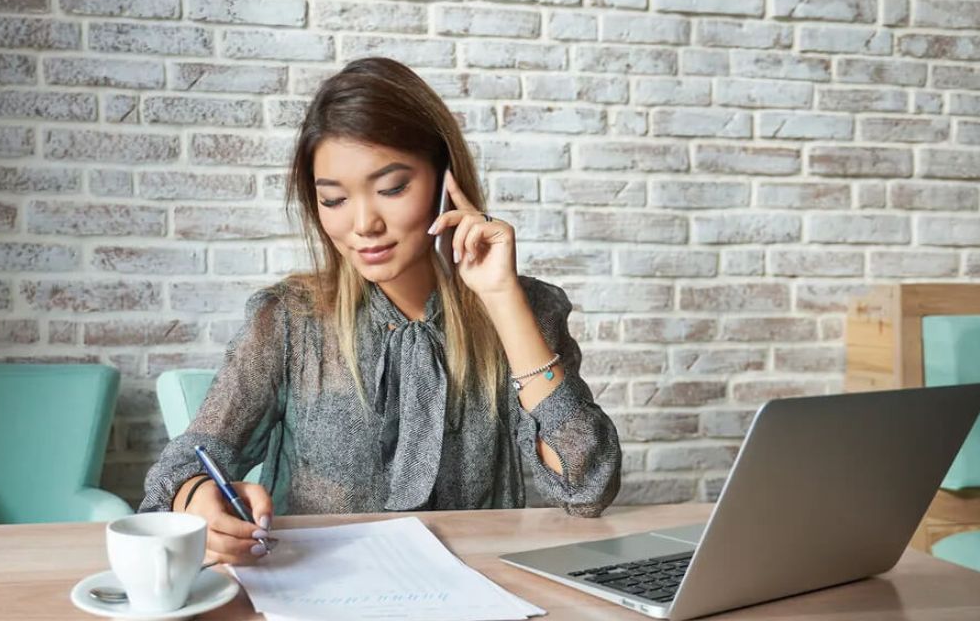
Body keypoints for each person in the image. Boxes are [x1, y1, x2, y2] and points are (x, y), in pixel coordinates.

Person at [140, 57, 621, 565]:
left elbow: (586, 487)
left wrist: (501, 298)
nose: (364, 223)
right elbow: (184, 465)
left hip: (474, 594)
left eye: (392, 189)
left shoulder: (525, 309)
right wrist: (198, 501)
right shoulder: (288, 319)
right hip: (318, 592)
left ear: (444, 179)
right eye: (334, 199)